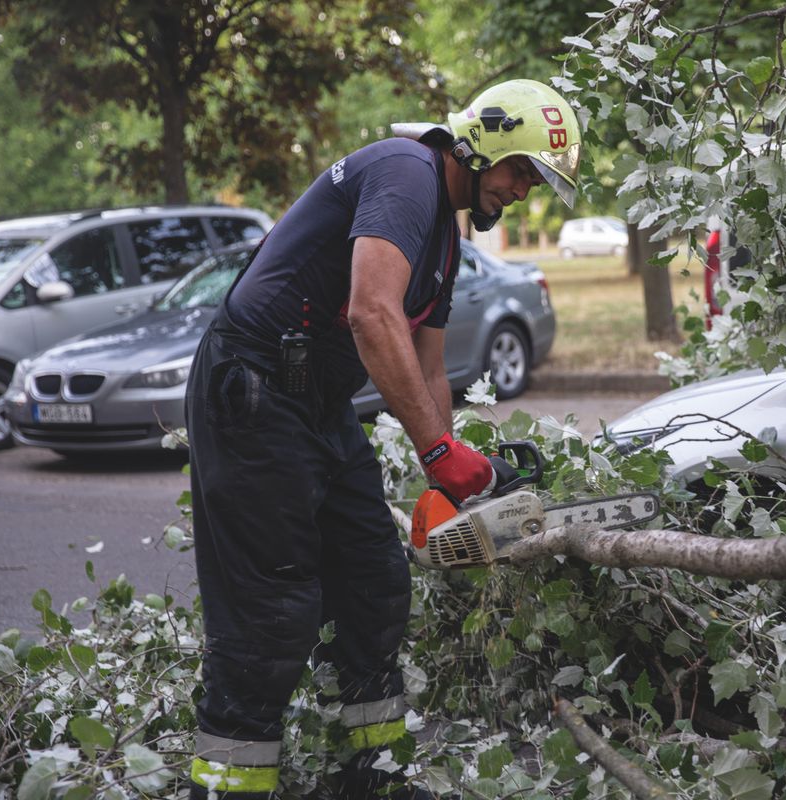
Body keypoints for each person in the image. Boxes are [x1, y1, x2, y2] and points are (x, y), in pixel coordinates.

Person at [184, 79, 582, 800]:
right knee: (275, 608)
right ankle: (225, 786)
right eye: (521, 169)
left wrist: (454, 480)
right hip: (252, 389)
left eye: (535, 180)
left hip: (317, 402)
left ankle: (374, 775)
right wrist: (439, 455)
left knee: (374, 582)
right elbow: (371, 314)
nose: (525, 190)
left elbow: (429, 370)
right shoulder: (407, 174)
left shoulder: (444, 240)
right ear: (484, 140)